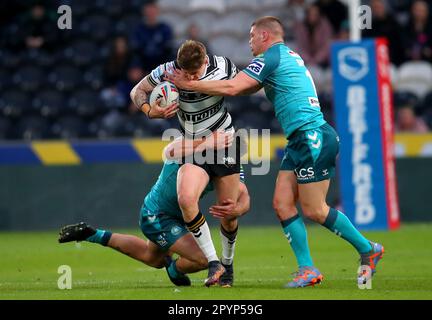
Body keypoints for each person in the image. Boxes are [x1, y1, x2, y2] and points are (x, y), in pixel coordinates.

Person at [166, 16, 385, 288]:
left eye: (251, 37)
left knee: (315, 209)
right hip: (300, 139)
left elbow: (234, 87)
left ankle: (367, 249)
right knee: (282, 204)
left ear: (264, 36)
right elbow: (245, 88)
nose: (249, 42)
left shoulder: (271, 56)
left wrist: (191, 85)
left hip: (311, 135)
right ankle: (307, 269)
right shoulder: (287, 57)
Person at [58, 133, 250, 288]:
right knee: (203, 259)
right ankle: (175, 269)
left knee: (153, 258)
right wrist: (205, 144)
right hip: (159, 215)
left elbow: (244, 195)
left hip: (177, 216)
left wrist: (237, 209)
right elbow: (169, 151)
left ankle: (92, 234)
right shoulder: (193, 142)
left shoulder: (229, 162)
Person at [130, 40, 242, 286]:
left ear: (204, 61)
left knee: (228, 212)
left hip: (224, 142)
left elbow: (241, 87)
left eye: (195, 72)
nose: (189, 77)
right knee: (186, 199)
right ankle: (214, 263)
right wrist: (151, 111)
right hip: (194, 145)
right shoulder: (168, 72)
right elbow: (136, 91)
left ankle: (228, 263)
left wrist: (192, 83)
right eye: (186, 73)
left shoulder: (223, 66)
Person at [131, 0, 174, 73]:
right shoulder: (139, 29)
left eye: (153, 10)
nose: (151, 13)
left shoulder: (165, 28)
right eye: (148, 10)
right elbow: (136, 52)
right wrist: (136, 66)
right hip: (144, 65)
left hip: (161, 64)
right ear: (144, 11)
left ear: (157, 11)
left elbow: (168, 50)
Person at [293, 3, 334, 68]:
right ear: (307, 14)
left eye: (315, 14)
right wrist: (309, 59)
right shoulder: (300, 26)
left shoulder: (326, 26)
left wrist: (316, 59)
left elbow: (327, 45)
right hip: (305, 61)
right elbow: (299, 46)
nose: (313, 16)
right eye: (310, 14)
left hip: (322, 62)